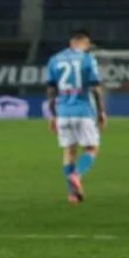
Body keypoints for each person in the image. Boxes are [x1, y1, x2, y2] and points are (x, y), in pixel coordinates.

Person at [45, 29, 105, 203]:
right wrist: (101, 112)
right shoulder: (88, 59)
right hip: (83, 111)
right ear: (83, 43)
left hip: (63, 112)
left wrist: (53, 116)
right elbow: (96, 89)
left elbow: (51, 90)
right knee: (91, 148)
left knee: (69, 151)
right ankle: (76, 175)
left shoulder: (54, 60)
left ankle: (73, 194)